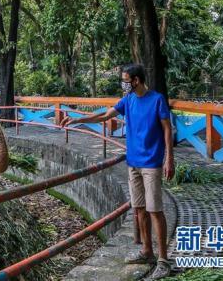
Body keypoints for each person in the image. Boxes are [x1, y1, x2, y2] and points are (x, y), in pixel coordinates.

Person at [60, 63, 174, 280]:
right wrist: (79, 120)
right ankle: (147, 252)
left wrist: (169, 158)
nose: (123, 84)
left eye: (125, 80)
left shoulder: (157, 99)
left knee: (155, 211)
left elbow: (167, 128)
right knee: (139, 209)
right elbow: (104, 116)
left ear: (136, 81)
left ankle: (163, 260)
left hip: (151, 164)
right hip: (133, 163)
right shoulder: (128, 100)